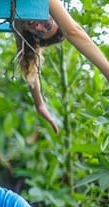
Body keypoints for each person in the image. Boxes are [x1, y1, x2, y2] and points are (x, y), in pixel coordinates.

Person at [13, 0, 109, 133]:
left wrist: (39, 103)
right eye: (47, 24)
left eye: (39, 33)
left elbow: (29, 61)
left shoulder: (19, 18)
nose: (39, 27)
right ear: (54, 14)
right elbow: (73, 31)